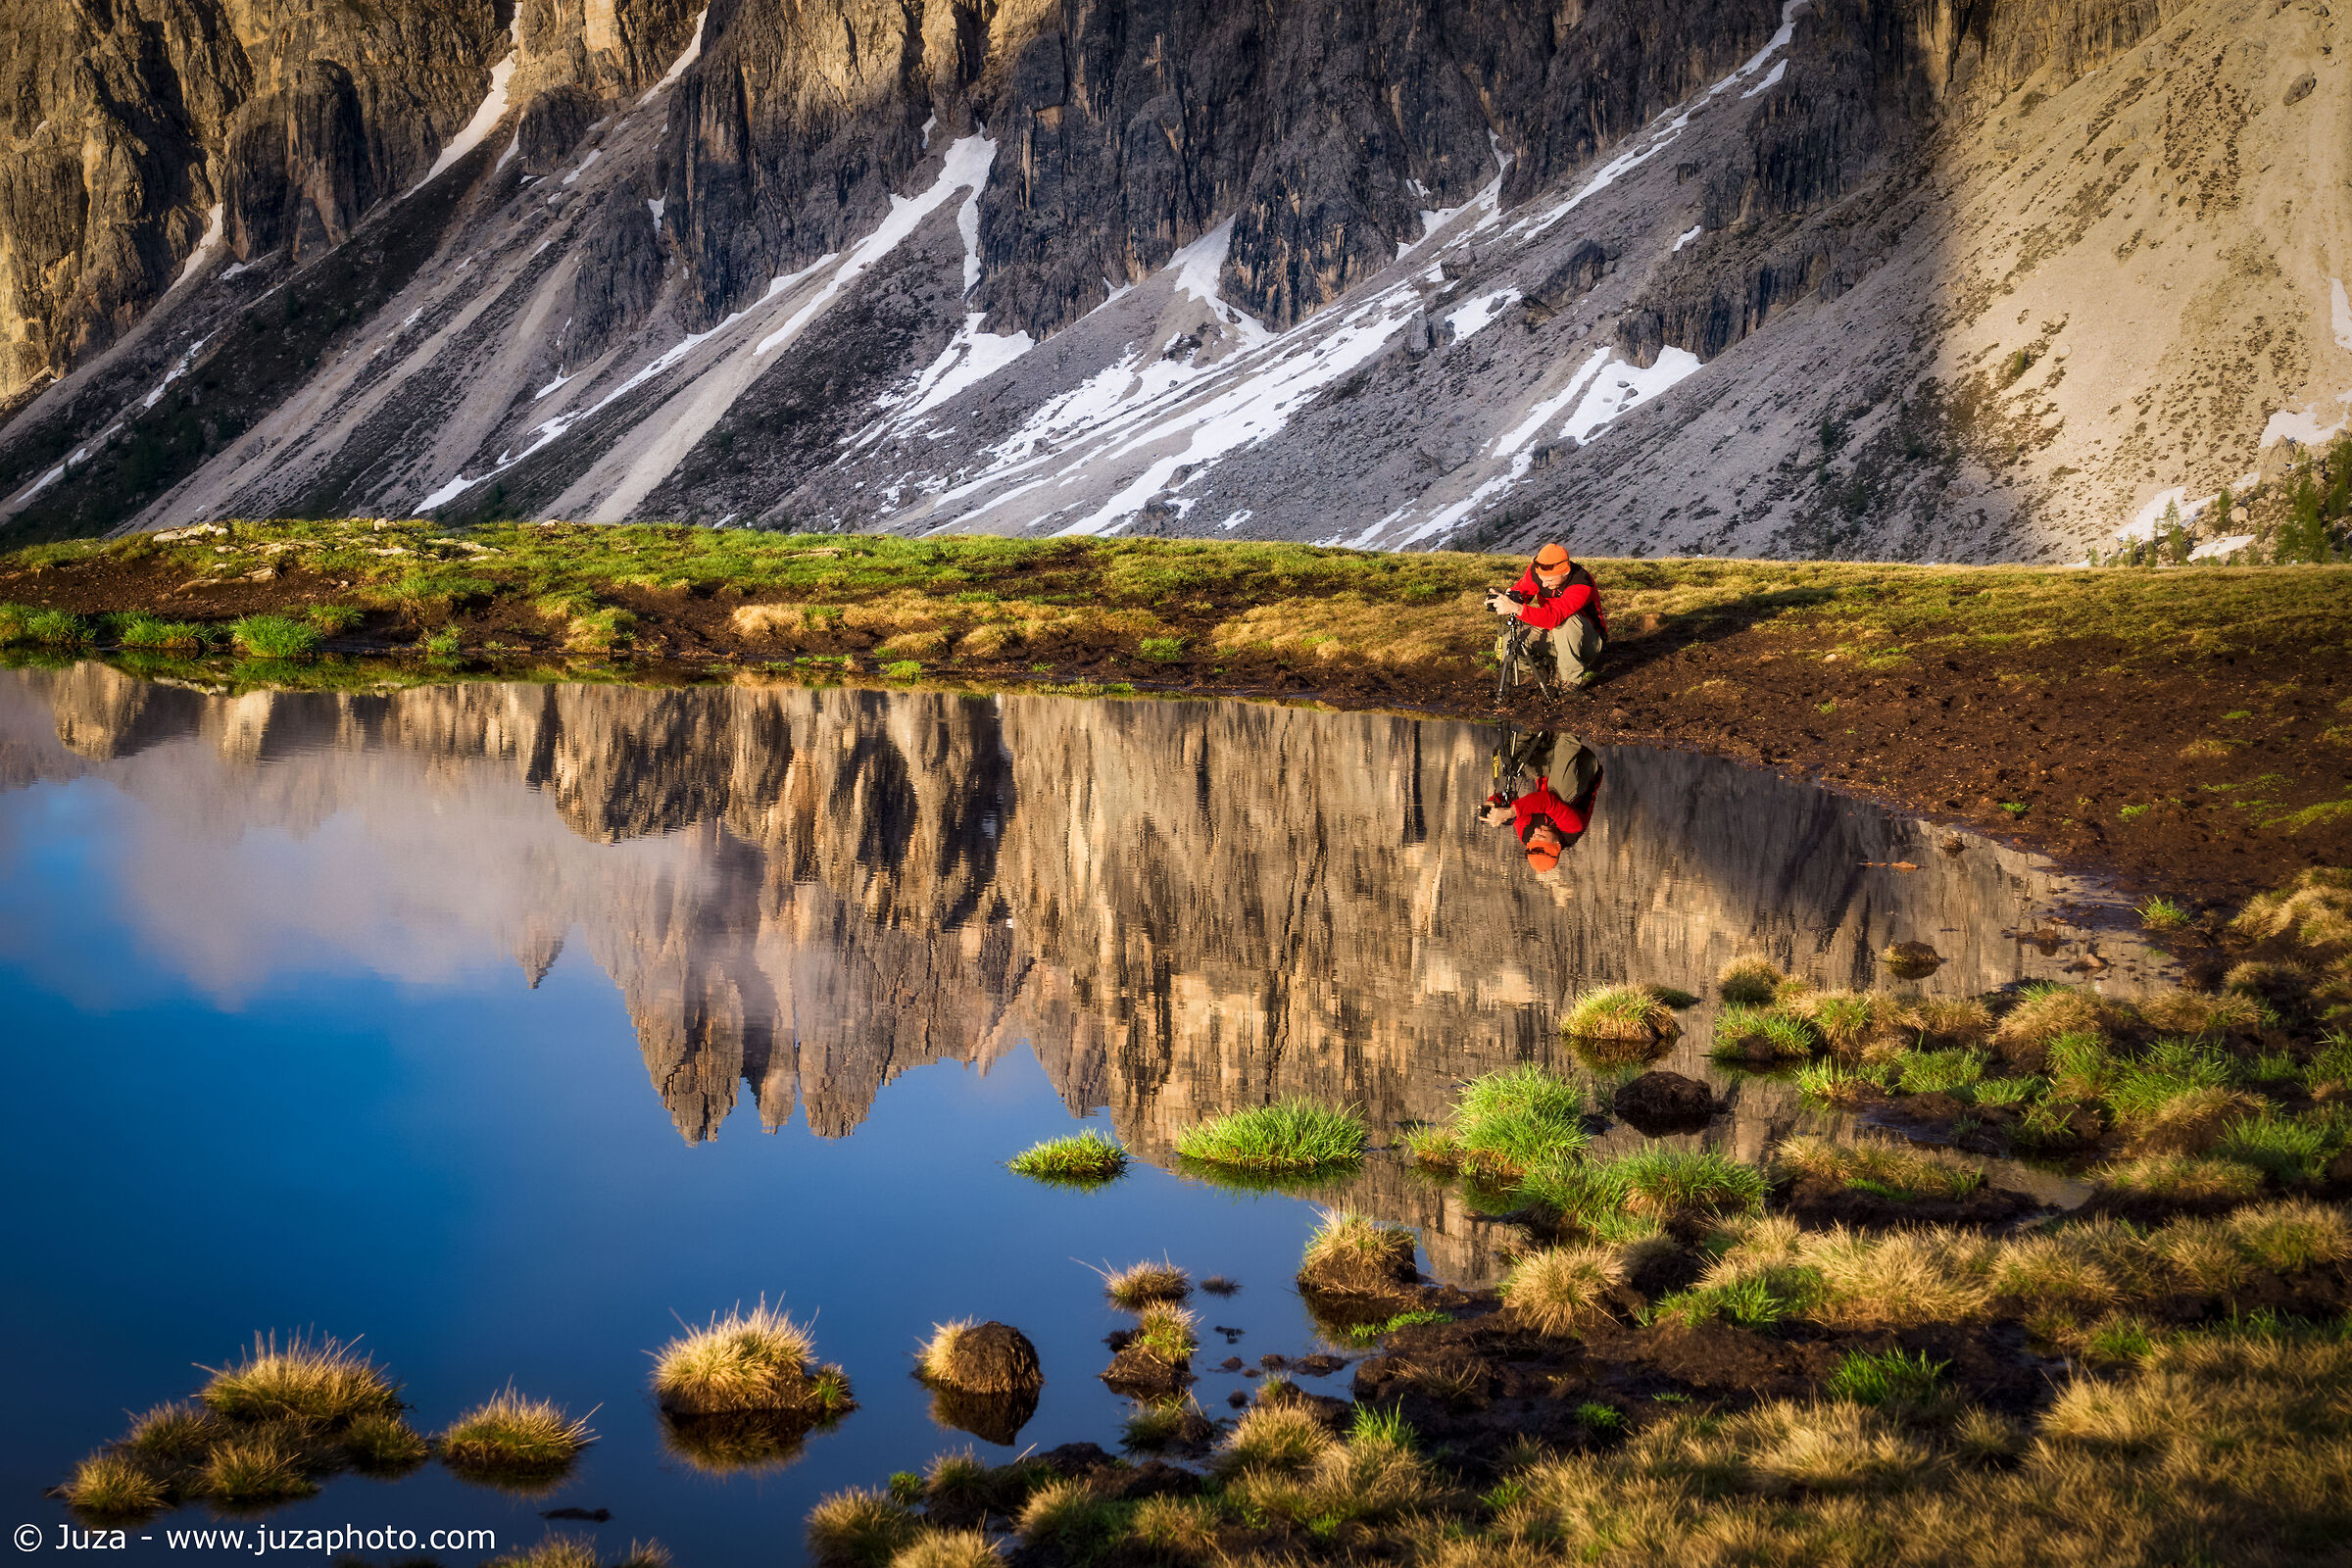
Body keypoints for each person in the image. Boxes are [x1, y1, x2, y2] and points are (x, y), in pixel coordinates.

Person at [1479, 728, 1603, 875]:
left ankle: (1536, 729)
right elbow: (1548, 802)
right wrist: (1510, 812)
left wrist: (1495, 805)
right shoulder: (1572, 828)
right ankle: (1568, 730)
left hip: (1548, 764)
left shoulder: (1526, 834)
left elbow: (1511, 805)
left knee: (1504, 762)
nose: (1536, 831)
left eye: (1533, 837)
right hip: (1582, 765)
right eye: (1542, 836)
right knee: (1560, 794)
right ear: (1556, 844)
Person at [1486, 542, 1606, 689]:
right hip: (1553, 633)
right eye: (1541, 579)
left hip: (1587, 642)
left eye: (1549, 581)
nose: (1543, 585)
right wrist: (1505, 599)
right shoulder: (1537, 571)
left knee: (1568, 621)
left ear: (1565, 573)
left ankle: (1570, 681)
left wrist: (1517, 609)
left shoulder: (1581, 583)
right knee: (1506, 645)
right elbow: (1522, 592)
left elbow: (1554, 617)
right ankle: (1546, 669)